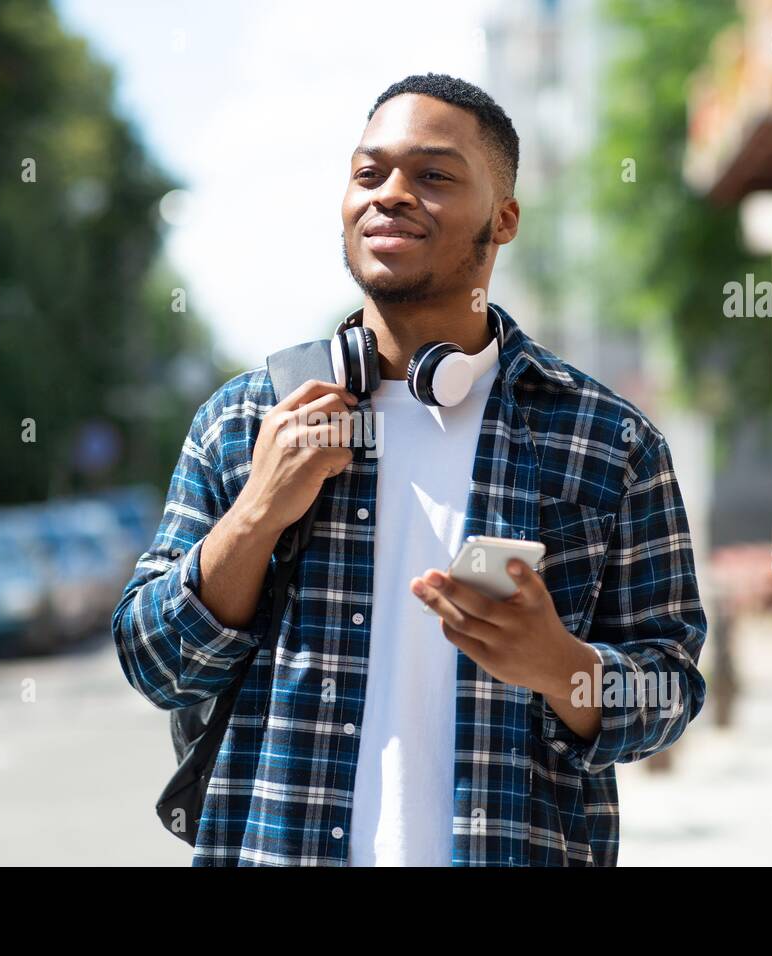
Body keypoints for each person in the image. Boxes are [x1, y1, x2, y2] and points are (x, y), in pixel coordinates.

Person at [112, 73, 707, 866]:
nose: (390, 195)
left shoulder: (609, 442)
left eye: (433, 175)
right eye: (369, 173)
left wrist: (562, 667)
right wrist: (260, 509)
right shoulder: (245, 420)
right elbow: (156, 665)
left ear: (503, 219)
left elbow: (669, 689)